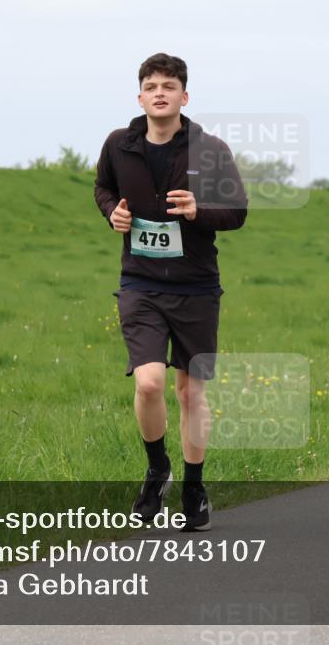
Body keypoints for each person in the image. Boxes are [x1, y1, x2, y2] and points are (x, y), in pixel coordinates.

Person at [94, 53, 247, 531]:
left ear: (184, 96)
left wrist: (200, 210)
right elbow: (102, 188)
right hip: (140, 282)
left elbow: (238, 210)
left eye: (169, 85)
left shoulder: (210, 150)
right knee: (149, 383)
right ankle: (158, 467)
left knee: (190, 391)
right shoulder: (119, 144)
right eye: (151, 85)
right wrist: (111, 214)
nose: (160, 92)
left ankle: (195, 485)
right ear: (140, 96)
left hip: (196, 285)